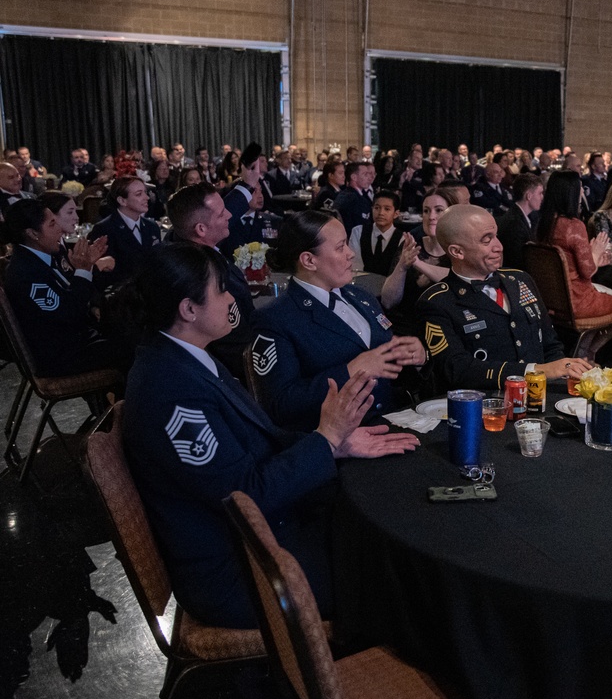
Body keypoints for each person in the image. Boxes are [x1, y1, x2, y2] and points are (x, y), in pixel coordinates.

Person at [124, 242, 418, 629]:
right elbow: (242, 496)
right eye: (221, 290)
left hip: (264, 534)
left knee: (380, 528)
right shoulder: (170, 390)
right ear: (188, 309)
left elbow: (258, 444)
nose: (232, 297)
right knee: (394, 566)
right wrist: (325, 440)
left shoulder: (186, 356)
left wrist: (332, 445)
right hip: (239, 566)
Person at [253, 211, 428, 431]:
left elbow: (387, 366)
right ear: (309, 260)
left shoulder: (360, 297)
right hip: (339, 439)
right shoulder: (277, 319)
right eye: (340, 247)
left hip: (392, 420)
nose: (351, 254)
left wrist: (415, 357)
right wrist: (349, 371)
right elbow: (280, 405)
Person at [417, 204, 591, 392]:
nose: (499, 247)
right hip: (487, 407)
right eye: (486, 240)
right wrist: (536, 371)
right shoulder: (438, 302)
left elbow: (550, 346)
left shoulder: (520, 280)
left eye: (496, 236)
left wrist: (568, 374)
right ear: (457, 252)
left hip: (540, 399)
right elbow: (458, 370)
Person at [2, 200, 117, 377]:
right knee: (135, 348)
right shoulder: (26, 273)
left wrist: (89, 266)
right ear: (33, 233)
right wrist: (83, 270)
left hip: (76, 338)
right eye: (52, 223)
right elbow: (69, 313)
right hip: (62, 355)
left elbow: (74, 291)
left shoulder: (46, 255)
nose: (60, 229)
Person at [168, 173, 260, 379]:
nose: (229, 215)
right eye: (221, 214)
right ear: (201, 229)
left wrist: (248, 185)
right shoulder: (202, 275)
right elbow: (236, 347)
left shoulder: (183, 242)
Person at [536, 171, 612, 321]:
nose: (582, 191)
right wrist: (595, 252)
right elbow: (587, 272)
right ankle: (589, 345)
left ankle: (583, 344)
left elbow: (570, 266)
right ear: (570, 193)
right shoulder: (573, 226)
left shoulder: (542, 223)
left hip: (550, 301)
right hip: (579, 301)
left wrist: (596, 259)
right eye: (580, 187)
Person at [381, 190, 453, 336]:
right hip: (409, 326)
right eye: (426, 211)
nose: (431, 216)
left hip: (447, 328)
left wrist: (418, 264)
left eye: (438, 210)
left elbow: (456, 279)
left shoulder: (460, 250)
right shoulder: (412, 247)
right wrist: (402, 265)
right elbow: (388, 301)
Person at [87, 177, 160, 286]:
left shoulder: (152, 226)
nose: (147, 197)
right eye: (139, 194)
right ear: (122, 200)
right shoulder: (105, 228)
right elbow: (105, 273)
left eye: (145, 192)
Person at [347, 190, 404, 276]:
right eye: (377, 208)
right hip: (361, 284)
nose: (381, 213)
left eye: (387, 209)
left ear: (396, 214)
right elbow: (355, 265)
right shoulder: (358, 231)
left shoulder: (402, 239)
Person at [496, 174, 542, 270]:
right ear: (529, 196)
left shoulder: (524, 216)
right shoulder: (514, 224)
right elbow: (518, 262)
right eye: (540, 193)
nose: (542, 197)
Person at [333, 161, 375, 233]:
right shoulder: (353, 199)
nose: (369, 177)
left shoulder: (344, 194)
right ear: (354, 177)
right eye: (365, 174)